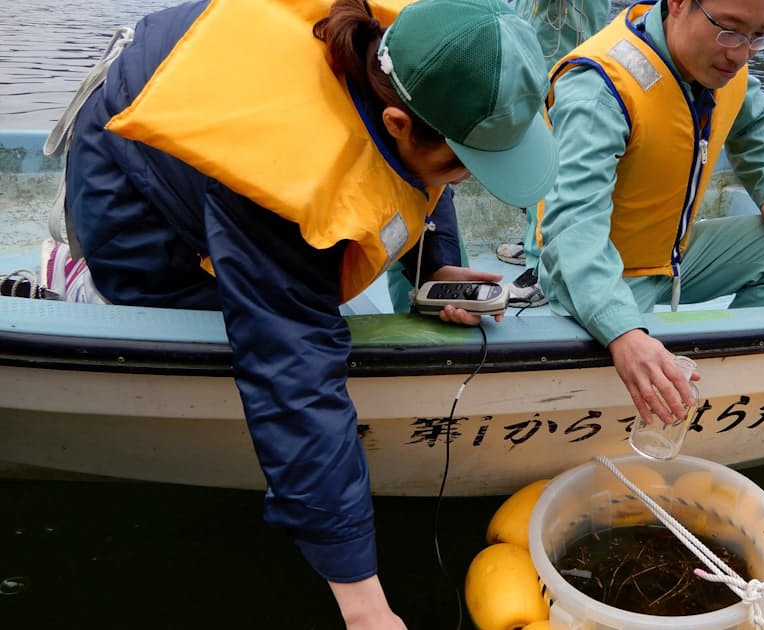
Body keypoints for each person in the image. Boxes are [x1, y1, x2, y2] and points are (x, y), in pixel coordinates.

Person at [60, 0, 556, 627]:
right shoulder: (284, 176)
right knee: (215, 318)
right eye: (462, 164)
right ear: (398, 120)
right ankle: (77, 282)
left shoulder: (413, 60)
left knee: (303, 272)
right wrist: (364, 604)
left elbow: (419, 175)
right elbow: (292, 377)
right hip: (127, 159)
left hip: (230, 102)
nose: (462, 181)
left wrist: (434, 267)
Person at [535, 0, 764, 424]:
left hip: (669, 255)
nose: (741, 53)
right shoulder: (600, 87)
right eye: (729, 30)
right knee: (624, 333)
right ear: (677, 4)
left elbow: (751, 121)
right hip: (596, 270)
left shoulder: (723, 60)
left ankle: (727, 388)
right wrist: (623, 333)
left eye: (760, 35)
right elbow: (572, 226)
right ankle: (657, 374)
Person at [495, 0, 611, 306]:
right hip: (538, 37)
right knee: (533, 138)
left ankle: (543, 270)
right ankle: (535, 242)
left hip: (563, 46)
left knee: (552, 148)